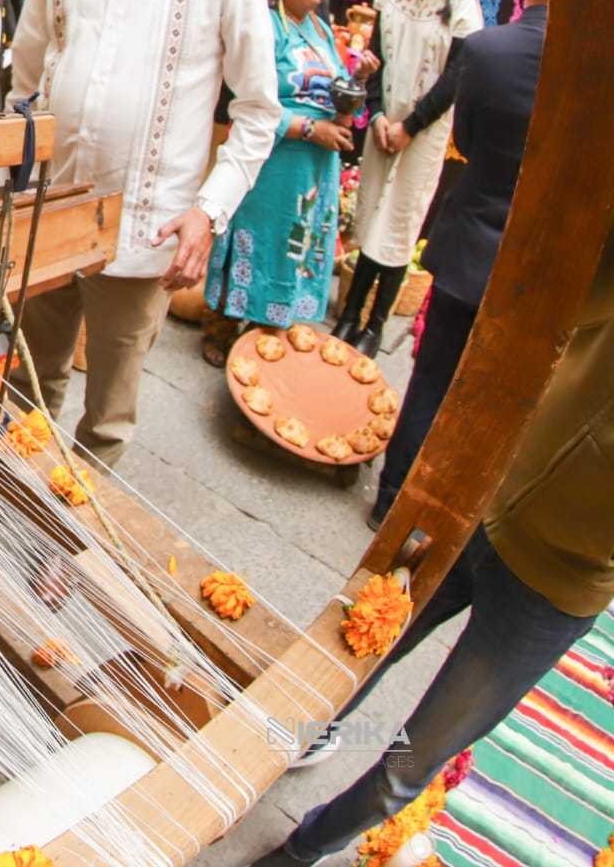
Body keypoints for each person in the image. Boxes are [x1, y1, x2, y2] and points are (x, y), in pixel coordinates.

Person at [251, 224, 614, 867]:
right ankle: (272, 752)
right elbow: (566, 295)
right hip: (488, 499)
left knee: (411, 760)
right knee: (352, 651)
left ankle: (300, 850)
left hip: (559, 587)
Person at [6, 0, 281, 465]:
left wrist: (207, 213)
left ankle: (69, 542)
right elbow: (24, 76)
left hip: (145, 228)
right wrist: (8, 176)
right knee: (26, 383)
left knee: (109, 414)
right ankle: (4, 509)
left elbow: (257, 112)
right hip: (51, 212)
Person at [364, 0, 552, 531]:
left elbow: (466, 140)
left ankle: (392, 497)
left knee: (431, 376)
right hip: (541, 262)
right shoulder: (591, 69)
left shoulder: (488, 49)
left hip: (471, 238)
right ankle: (449, 512)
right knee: (495, 399)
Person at [333, 0, 482, 357]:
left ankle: (375, 324)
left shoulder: (460, 1)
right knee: (372, 211)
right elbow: (376, 53)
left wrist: (410, 127)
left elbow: (456, 77)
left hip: (424, 129)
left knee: (400, 220)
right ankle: (348, 315)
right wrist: (377, 115)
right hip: (384, 122)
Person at [202, 0, 360, 364]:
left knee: (291, 248)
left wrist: (347, 105)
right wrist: (310, 128)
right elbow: (248, 102)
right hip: (273, 165)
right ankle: (220, 326)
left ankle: (265, 331)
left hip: (311, 174)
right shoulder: (267, 30)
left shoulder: (323, 31)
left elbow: (335, 90)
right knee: (256, 242)